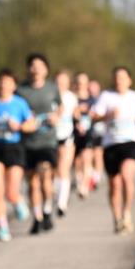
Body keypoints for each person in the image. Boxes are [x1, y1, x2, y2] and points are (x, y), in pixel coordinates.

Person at [0, 69, 35, 242]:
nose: (3, 85)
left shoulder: (19, 104)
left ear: (13, 85)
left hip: (14, 149)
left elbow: (31, 124)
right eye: (1, 81)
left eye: (7, 82)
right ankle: (3, 227)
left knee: (11, 192)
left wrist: (18, 126)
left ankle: (18, 201)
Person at [91, 66, 135, 233]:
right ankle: (117, 219)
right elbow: (94, 116)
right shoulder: (106, 96)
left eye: (122, 77)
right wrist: (108, 116)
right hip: (111, 144)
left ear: (129, 80)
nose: (119, 80)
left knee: (126, 175)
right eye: (116, 77)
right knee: (114, 185)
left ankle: (127, 213)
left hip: (130, 142)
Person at [16, 53, 61, 235]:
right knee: (32, 184)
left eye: (39, 65)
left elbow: (60, 106)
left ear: (46, 69)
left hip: (47, 140)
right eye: (32, 65)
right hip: (28, 142)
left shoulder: (52, 88)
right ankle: (37, 217)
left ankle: (48, 210)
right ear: (28, 69)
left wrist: (57, 116)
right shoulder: (21, 91)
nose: (35, 69)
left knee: (45, 175)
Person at [53, 70, 78, 217]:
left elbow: (76, 115)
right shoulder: (49, 96)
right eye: (58, 81)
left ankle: (62, 203)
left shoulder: (71, 97)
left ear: (68, 83)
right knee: (54, 171)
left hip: (67, 136)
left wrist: (80, 120)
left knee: (63, 169)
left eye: (64, 81)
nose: (61, 84)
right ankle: (56, 195)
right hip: (50, 137)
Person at [73, 72, 96, 199]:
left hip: (88, 133)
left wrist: (90, 112)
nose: (81, 85)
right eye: (78, 82)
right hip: (74, 133)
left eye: (83, 82)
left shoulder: (93, 99)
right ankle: (79, 180)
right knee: (77, 161)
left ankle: (84, 186)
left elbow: (97, 114)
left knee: (87, 158)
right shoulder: (71, 98)